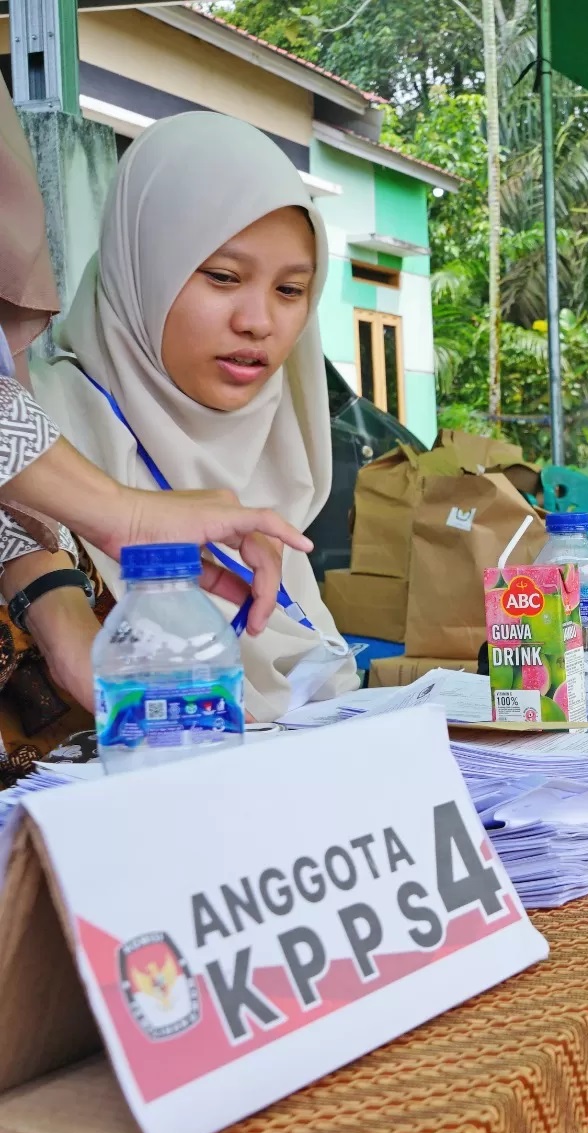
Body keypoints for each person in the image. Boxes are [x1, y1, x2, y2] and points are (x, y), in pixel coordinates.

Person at [19, 111, 359, 730]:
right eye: (223, 277)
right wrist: (54, 596)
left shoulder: (277, 459)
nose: (259, 321)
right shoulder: (33, 428)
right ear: (140, 266)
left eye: (290, 290)